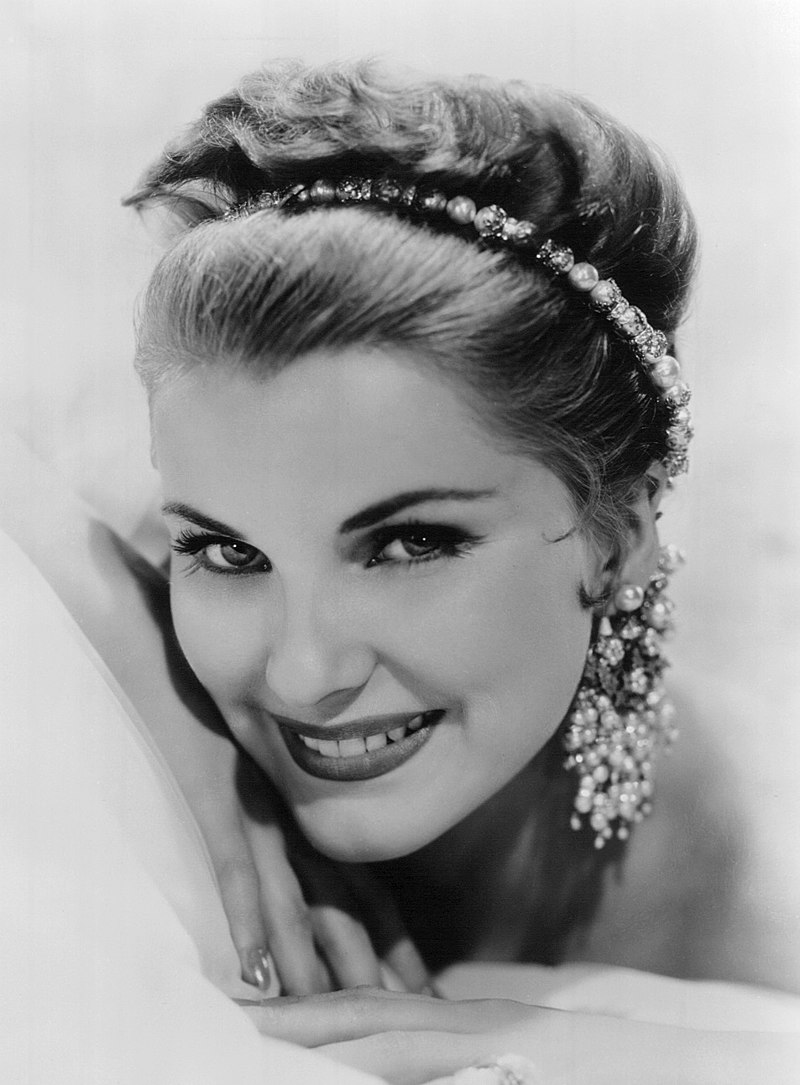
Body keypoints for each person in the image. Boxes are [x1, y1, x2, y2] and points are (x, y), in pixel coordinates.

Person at [3, 58, 798, 1083]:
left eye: (409, 544)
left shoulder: (759, 868)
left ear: (621, 535)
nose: (301, 674)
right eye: (227, 551)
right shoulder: (133, 631)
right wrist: (128, 634)